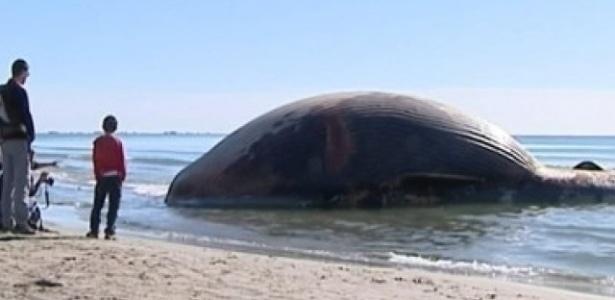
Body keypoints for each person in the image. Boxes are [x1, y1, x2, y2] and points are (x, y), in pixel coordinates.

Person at [0, 59, 36, 234]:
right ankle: (21, 221)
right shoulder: (19, 92)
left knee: (8, 181)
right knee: (22, 181)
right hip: (19, 139)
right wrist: (30, 137)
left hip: (5, 140)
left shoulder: (1, 91)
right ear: (21, 73)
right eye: (26, 74)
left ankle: (6, 219)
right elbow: (25, 116)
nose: (27, 78)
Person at [86, 115, 126, 240]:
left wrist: (97, 174)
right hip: (115, 176)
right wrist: (122, 175)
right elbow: (121, 161)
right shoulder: (118, 142)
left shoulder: (98, 142)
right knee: (113, 206)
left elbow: (95, 160)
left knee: (98, 204)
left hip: (102, 176)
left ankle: (94, 230)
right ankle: (109, 230)